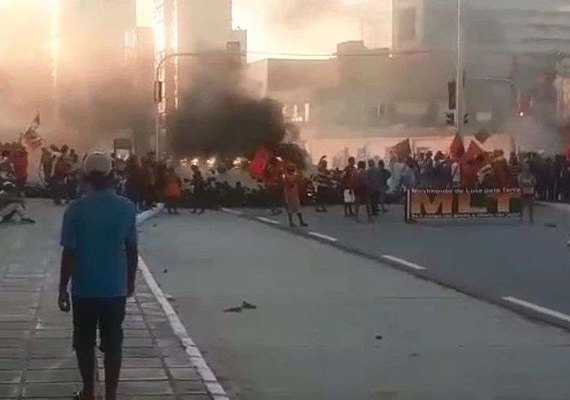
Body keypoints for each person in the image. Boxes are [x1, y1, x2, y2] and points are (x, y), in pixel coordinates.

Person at [58, 152, 138, 400]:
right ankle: (111, 394)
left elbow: (69, 253)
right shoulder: (126, 208)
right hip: (115, 288)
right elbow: (132, 249)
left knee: (84, 343)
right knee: (113, 344)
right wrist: (130, 282)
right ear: (112, 176)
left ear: (84, 175)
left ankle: (89, 391)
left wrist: (62, 288)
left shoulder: (75, 210)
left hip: (84, 289)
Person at [283, 163, 308, 228]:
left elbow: (298, 182)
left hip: (294, 194)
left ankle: (301, 221)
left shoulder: (292, 175)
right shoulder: (287, 176)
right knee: (290, 209)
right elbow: (290, 183)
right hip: (289, 195)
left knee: (298, 208)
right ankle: (291, 222)